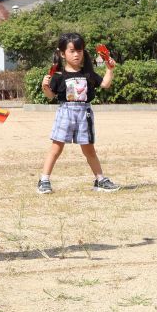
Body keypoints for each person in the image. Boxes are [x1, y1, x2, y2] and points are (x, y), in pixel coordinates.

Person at [37, 33, 118, 195]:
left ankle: (100, 180)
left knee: (89, 150)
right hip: (65, 112)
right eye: (72, 51)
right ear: (62, 54)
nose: (76, 54)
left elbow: (105, 84)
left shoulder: (88, 74)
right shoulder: (58, 76)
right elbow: (51, 95)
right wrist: (45, 86)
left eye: (79, 51)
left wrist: (110, 70)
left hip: (84, 114)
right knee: (56, 148)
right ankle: (44, 180)